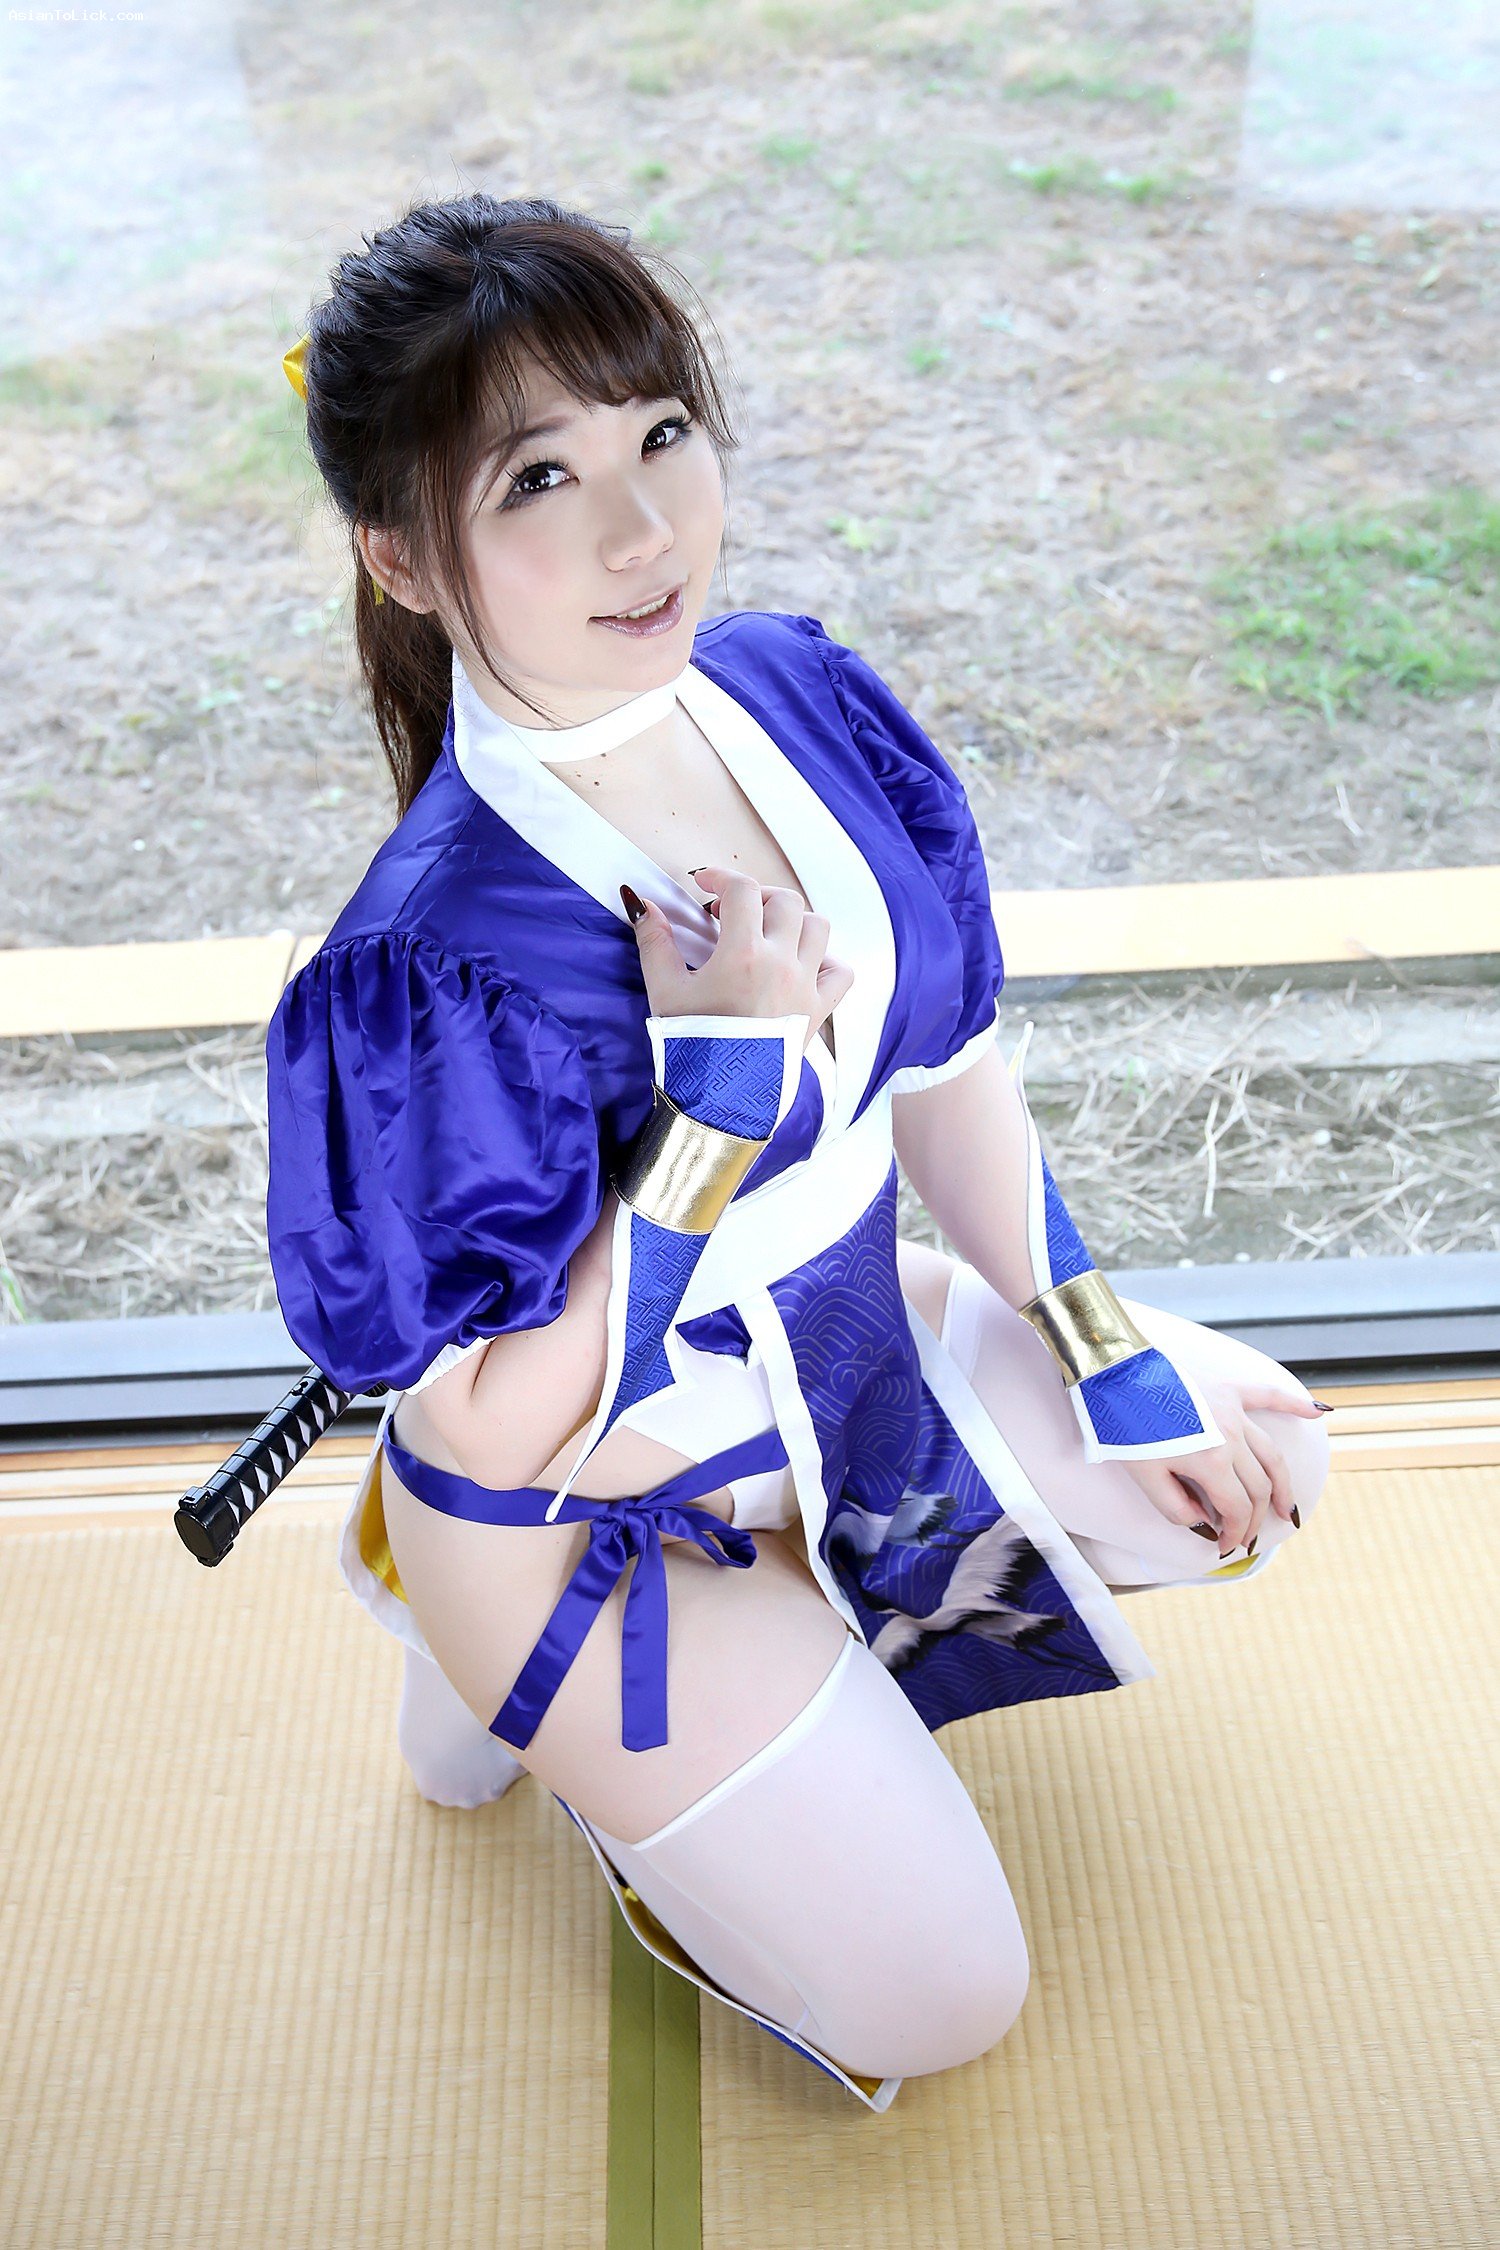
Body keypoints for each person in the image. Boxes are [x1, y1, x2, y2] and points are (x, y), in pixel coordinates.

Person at [266, 191, 1332, 2106]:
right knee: (942, 2002)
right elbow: (504, 1420)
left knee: (1264, 1454)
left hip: (848, 1364)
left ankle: (761, 1682)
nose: (644, 530)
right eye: (540, 478)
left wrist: (1110, 1349)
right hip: (585, 1518)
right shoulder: (432, 959)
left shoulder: (795, 695)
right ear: (403, 557)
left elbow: (950, 1068)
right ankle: (523, 1688)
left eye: (663, 432)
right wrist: (722, 1091)